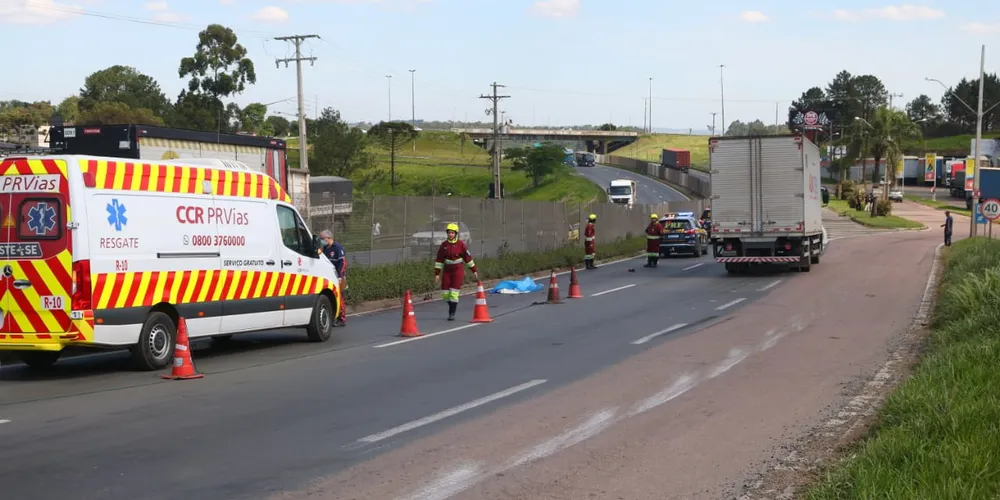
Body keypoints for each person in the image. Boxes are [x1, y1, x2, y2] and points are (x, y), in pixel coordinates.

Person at [434, 223, 479, 321]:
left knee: (454, 293)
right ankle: (452, 305)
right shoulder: (444, 245)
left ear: (456, 234)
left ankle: (452, 313)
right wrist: (437, 274)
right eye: (449, 233)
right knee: (445, 293)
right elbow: (439, 260)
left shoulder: (461, 245)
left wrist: (474, 270)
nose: (450, 234)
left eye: (452, 233)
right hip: (447, 271)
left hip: (457, 271)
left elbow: (468, 258)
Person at [319, 230, 348, 326]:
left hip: (339, 277)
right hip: (329, 277)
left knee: (340, 297)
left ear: (328, 238)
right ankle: (334, 317)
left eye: (322, 239)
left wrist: (340, 276)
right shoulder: (325, 248)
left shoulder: (337, 248)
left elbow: (343, 263)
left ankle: (341, 318)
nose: (321, 240)